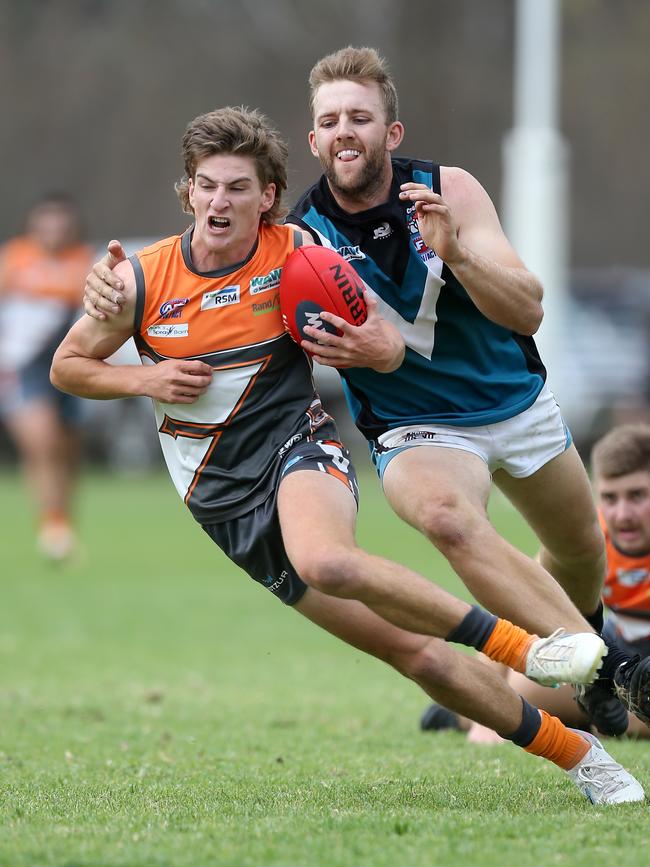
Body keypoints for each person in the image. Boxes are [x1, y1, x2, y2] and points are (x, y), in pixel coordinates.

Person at [50, 106, 644, 804]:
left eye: (239, 187)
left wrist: (380, 341)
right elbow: (68, 365)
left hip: (299, 449)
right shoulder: (139, 282)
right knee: (414, 652)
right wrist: (145, 377)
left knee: (326, 558)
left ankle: (527, 648)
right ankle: (581, 756)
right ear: (186, 192)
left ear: (267, 197)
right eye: (207, 185)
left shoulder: (298, 251)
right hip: (221, 501)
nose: (220, 201)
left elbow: (384, 343)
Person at [423, 424, 650, 741]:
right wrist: (486, 715)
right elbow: (522, 601)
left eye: (637, 496)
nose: (622, 514)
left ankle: (596, 720)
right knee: (515, 691)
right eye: (610, 498)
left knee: (634, 715)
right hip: (615, 656)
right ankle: (465, 715)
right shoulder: (587, 541)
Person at [0, 193, 93, 560]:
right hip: (23, 366)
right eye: (46, 222)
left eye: (61, 223)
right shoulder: (15, 259)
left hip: (69, 364)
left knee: (68, 450)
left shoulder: (83, 262)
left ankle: (62, 523)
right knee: (42, 440)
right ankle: (52, 525)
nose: (53, 230)